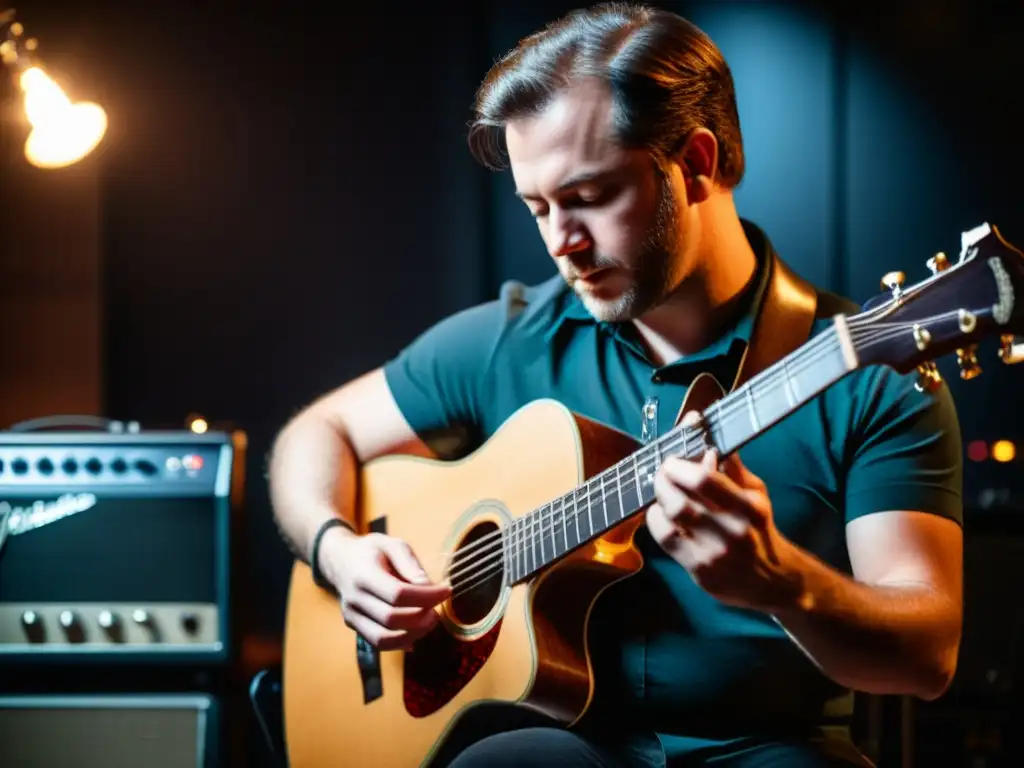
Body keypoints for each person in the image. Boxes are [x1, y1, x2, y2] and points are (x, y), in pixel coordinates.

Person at [268, 3, 964, 766]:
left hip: (768, 749)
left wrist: (783, 584)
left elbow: (927, 657)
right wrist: (339, 552)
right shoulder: (511, 338)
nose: (562, 243)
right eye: (538, 208)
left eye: (589, 197)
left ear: (696, 164)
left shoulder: (875, 379)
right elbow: (314, 435)